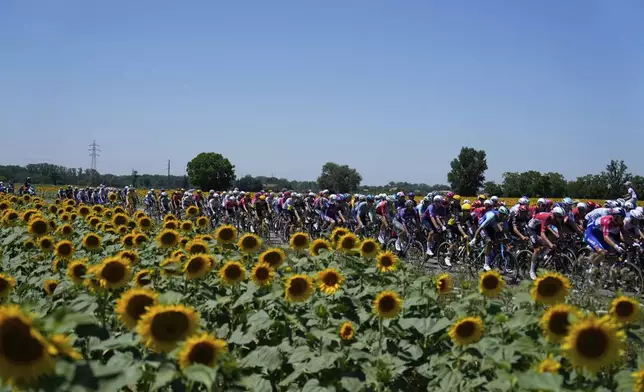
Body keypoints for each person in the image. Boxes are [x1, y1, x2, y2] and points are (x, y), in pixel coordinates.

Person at [526, 206, 566, 280]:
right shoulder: (547, 217)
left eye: (562, 217)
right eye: (560, 217)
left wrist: (563, 240)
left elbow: (560, 232)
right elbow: (542, 234)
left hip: (541, 226)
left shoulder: (557, 219)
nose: (561, 219)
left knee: (553, 238)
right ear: (555, 215)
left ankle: (543, 254)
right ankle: (531, 271)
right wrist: (550, 244)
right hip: (532, 228)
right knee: (537, 250)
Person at [470, 206, 510, 271]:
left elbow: (504, 231)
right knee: (489, 242)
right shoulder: (491, 216)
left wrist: (506, 238)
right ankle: (486, 264)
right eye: (504, 216)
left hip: (492, 226)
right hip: (483, 226)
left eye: (506, 216)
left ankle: (491, 259)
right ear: (500, 214)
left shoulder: (504, 219)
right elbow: (480, 228)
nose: (505, 218)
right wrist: (474, 238)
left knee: (497, 241)